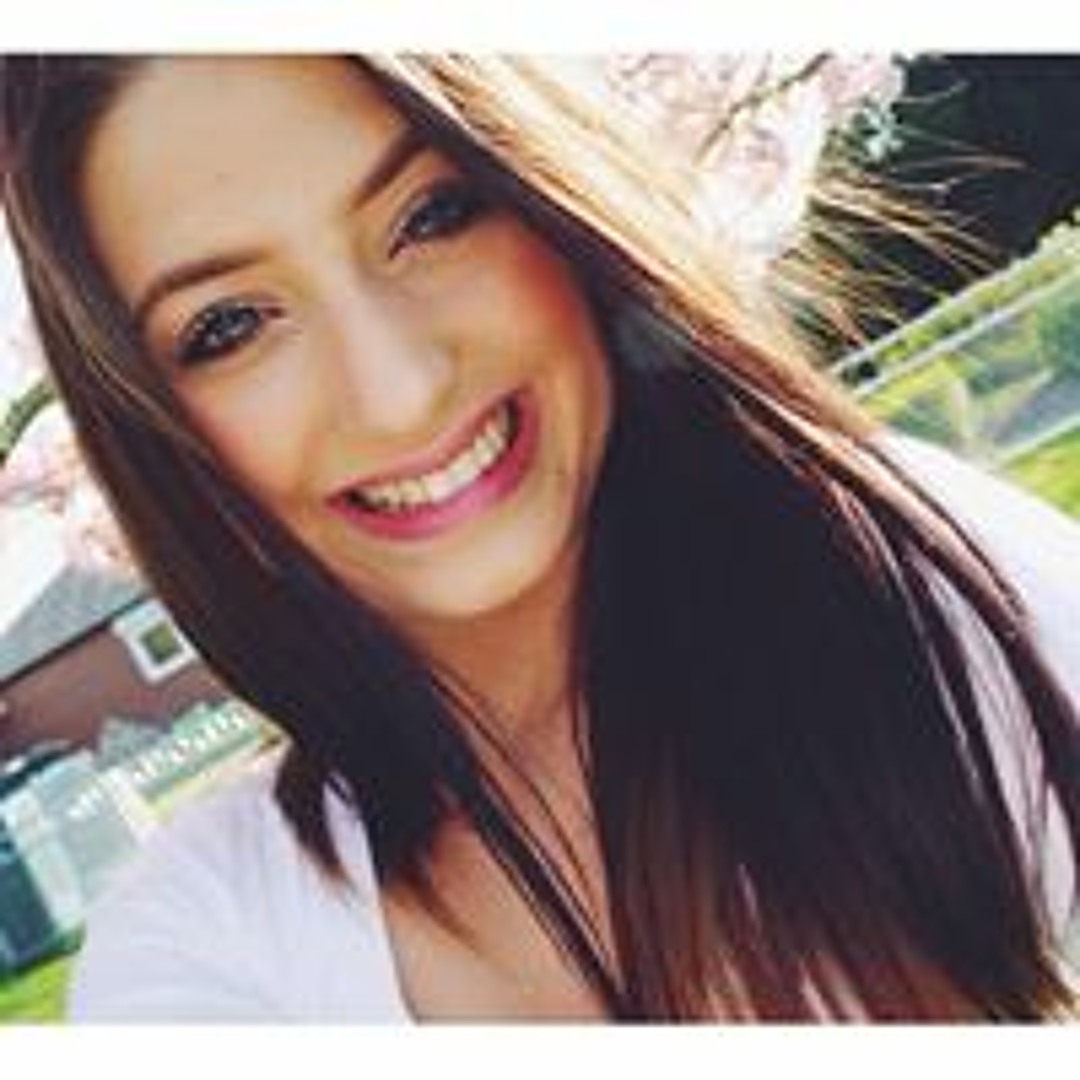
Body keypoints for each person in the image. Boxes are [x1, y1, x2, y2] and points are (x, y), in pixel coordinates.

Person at [1, 54, 1078, 1022]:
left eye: (432, 215)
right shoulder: (213, 943)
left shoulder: (922, 593)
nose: (400, 389)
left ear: (544, 193)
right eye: (230, 325)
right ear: (157, 433)